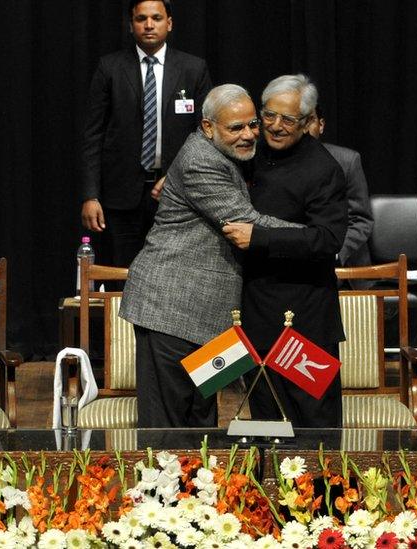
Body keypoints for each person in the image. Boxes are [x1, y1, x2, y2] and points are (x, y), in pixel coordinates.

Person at [119, 84, 301, 428]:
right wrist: (314, 238)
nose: (248, 135)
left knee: (202, 424)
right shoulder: (200, 161)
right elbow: (248, 224)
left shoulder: (225, 154)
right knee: (168, 431)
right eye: (236, 128)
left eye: (252, 125)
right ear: (207, 127)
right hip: (171, 310)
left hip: (212, 317)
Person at [222, 74, 348, 427]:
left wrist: (260, 238)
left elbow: (328, 240)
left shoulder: (324, 169)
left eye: (288, 119)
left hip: (304, 322)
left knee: (314, 423)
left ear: (308, 122)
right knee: (265, 420)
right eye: (269, 116)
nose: (275, 127)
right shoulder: (250, 152)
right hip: (256, 314)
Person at [80, 0, 212, 267]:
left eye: (156, 18)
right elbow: (93, 135)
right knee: (122, 274)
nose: (149, 25)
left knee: (172, 273)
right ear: (131, 25)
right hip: (120, 196)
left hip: (174, 193)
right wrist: (90, 195)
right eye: (141, 19)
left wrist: (176, 175)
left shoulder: (193, 69)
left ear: (170, 23)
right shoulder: (110, 68)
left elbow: (206, 134)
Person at [305, 107, 373, 267]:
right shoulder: (275, 164)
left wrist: (334, 252)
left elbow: (361, 219)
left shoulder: (347, 161)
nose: (304, 128)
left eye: (309, 120)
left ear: (321, 125)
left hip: (344, 265)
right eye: (298, 120)